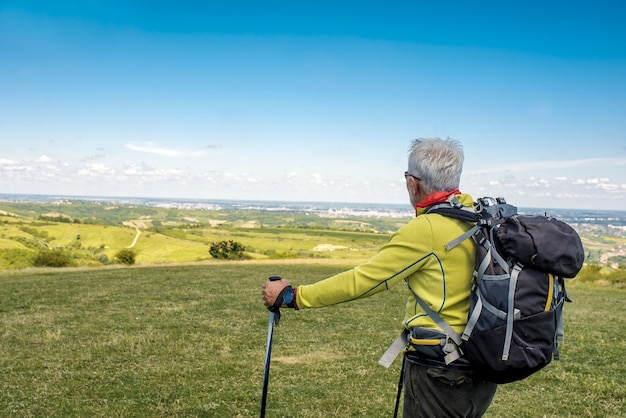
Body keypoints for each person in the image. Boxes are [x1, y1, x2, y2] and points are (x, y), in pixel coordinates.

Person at [262, 138, 497, 417]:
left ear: (414, 183)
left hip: (442, 367)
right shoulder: (481, 217)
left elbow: (363, 280)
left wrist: (293, 296)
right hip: (482, 359)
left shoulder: (428, 229)